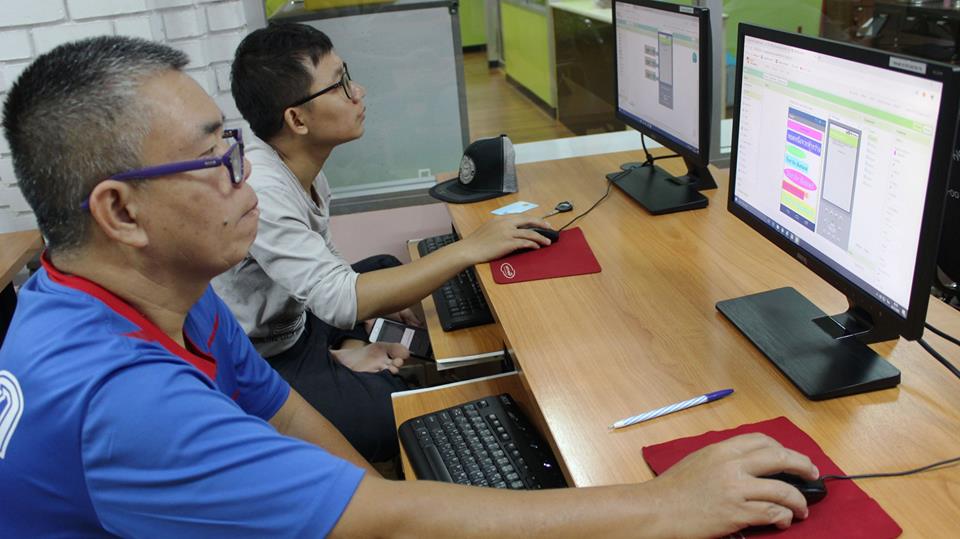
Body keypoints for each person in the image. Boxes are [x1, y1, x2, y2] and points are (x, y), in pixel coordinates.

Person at [0, 35, 819, 537]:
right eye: (214, 158)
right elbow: (384, 525)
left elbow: (284, 411)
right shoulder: (126, 403)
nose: (242, 174)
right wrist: (663, 506)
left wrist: (365, 495)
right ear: (121, 212)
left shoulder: (145, 295)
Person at [211, 22, 554, 462]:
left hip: (299, 322)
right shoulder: (264, 190)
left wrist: (357, 328)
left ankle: (345, 354)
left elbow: (329, 264)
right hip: (266, 358)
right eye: (340, 85)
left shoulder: (300, 165)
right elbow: (338, 300)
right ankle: (342, 360)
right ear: (296, 119)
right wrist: (468, 248)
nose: (359, 92)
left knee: (381, 268)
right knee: (394, 414)